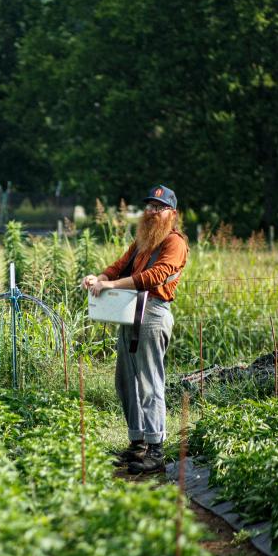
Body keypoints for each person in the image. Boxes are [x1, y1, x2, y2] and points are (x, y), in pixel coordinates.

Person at [80, 185, 189, 473]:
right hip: (130, 312)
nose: (152, 212)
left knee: (151, 382)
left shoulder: (174, 243)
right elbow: (119, 266)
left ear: (172, 213)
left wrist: (111, 286)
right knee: (126, 379)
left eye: (159, 207)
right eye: (150, 207)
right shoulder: (143, 241)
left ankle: (156, 450)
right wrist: (100, 277)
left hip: (153, 314)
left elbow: (155, 276)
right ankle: (137, 443)